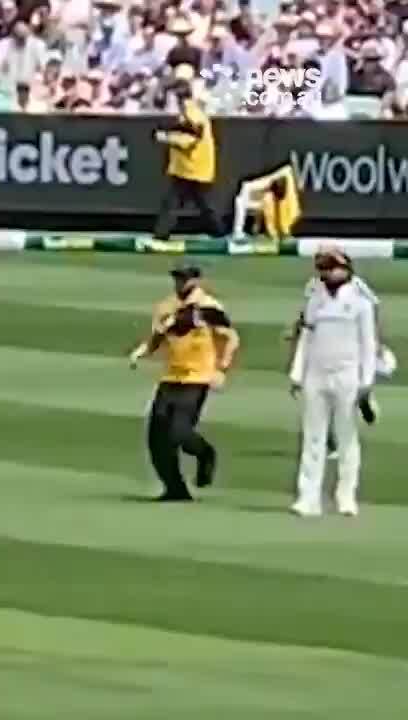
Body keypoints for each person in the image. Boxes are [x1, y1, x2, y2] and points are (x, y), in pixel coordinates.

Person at [129, 263, 239, 501]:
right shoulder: (166, 307)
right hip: (170, 377)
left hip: (197, 377)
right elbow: (158, 337)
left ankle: (205, 454)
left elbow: (231, 338)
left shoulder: (208, 307)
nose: (181, 283)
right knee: (156, 437)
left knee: (179, 432)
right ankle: (175, 488)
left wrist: (221, 368)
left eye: (186, 278)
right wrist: (141, 351)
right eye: (178, 278)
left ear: (196, 280)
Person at [288, 251, 377, 518]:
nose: (325, 274)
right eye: (322, 269)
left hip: (347, 375)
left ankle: (346, 496)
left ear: (345, 270)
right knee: (313, 437)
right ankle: (308, 498)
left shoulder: (361, 303)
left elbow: (368, 344)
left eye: (330, 269)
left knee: (346, 437)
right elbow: (306, 336)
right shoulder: (315, 299)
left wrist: (366, 381)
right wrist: (296, 373)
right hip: (316, 374)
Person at [152, 69, 225, 241]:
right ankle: (219, 232)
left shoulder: (192, 114)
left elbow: (191, 139)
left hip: (193, 167)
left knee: (179, 203)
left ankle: (161, 235)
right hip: (190, 167)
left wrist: (166, 138)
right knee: (200, 205)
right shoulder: (189, 112)